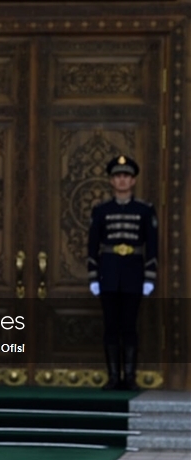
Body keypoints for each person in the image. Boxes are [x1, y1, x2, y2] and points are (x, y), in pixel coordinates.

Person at [88, 155, 157, 391]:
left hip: (133, 274)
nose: (122, 180)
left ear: (133, 180)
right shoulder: (101, 210)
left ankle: (129, 377)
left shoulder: (145, 210)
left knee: (129, 326)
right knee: (111, 327)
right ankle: (113, 377)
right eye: (118, 176)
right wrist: (93, 276)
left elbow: (152, 246)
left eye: (126, 176)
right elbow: (92, 246)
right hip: (108, 273)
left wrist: (149, 277)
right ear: (111, 181)